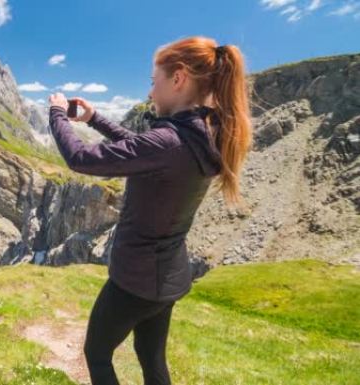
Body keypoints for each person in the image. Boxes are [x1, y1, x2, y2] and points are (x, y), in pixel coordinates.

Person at [47, 36, 253, 385]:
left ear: (179, 79)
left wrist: (56, 114)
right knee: (150, 355)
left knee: (96, 354)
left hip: (134, 281)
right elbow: (144, 150)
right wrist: (95, 119)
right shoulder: (203, 136)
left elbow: (80, 159)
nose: (149, 93)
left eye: (153, 82)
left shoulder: (170, 142)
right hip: (168, 278)